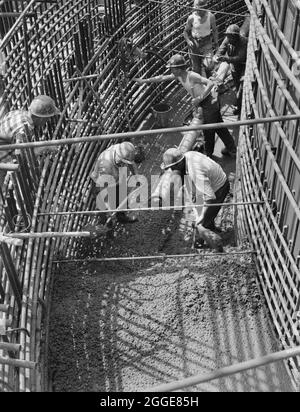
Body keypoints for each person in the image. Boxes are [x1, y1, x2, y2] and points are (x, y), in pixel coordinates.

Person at [133, 54, 236, 158]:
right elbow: (162, 78)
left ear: (178, 69)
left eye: (172, 68)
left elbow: (210, 83)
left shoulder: (191, 76)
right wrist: (144, 81)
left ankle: (208, 156)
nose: (171, 71)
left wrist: (199, 98)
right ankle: (232, 149)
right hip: (205, 102)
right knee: (219, 127)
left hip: (208, 102)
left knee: (208, 131)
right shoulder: (179, 75)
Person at [161, 147, 230, 233]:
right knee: (203, 213)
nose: (171, 170)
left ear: (179, 164)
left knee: (201, 223)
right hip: (208, 181)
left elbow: (210, 197)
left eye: (172, 167)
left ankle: (200, 242)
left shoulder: (195, 172)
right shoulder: (188, 155)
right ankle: (209, 226)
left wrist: (201, 218)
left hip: (219, 188)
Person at [90, 141, 139, 224]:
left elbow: (131, 163)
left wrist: (136, 177)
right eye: (123, 162)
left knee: (122, 197)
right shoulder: (105, 165)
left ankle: (122, 217)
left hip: (116, 176)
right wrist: (110, 209)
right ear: (119, 158)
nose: (125, 164)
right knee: (105, 210)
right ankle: (106, 228)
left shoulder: (122, 150)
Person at [0, 94, 60, 161]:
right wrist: (44, 147)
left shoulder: (16, 112)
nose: (48, 120)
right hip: (3, 158)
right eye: (48, 118)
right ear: (41, 119)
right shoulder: (24, 130)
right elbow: (22, 157)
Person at [215, 24, 248, 114]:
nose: (229, 39)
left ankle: (238, 106)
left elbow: (240, 57)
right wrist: (217, 56)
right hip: (234, 67)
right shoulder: (228, 39)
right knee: (237, 86)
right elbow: (221, 49)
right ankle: (239, 102)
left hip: (244, 68)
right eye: (228, 37)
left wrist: (227, 59)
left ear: (236, 36)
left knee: (241, 87)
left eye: (231, 37)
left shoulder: (243, 42)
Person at [184, 0, 218, 77]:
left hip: (206, 42)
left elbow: (215, 30)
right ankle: (200, 86)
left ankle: (211, 83)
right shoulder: (191, 18)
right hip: (194, 43)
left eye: (200, 10)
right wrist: (188, 41)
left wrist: (216, 44)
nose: (198, 11)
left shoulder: (211, 17)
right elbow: (185, 32)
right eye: (197, 10)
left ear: (205, 8)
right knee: (196, 68)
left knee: (209, 65)